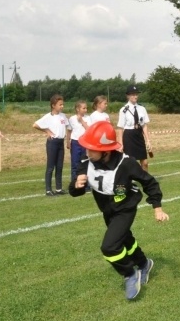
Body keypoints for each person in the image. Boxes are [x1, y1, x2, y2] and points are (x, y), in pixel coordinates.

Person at [69, 121, 169, 301]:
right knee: (126, 239)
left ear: (106, 151)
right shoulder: (86, 163)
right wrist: (77, 185)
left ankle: (130, 274)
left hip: (125, 208)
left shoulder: (126, 164)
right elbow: (74, 191)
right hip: (107, 209)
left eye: (92, 149)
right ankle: (144, 264)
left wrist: (157, 208)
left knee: (109, 247)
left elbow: (150, 183)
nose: (87, 152)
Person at [33, 94, 71, 196]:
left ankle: (58, 188)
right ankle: (48, 190)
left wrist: (68, 140)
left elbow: (68, 127)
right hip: (52, 143)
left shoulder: (63, 116)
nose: (62, 106)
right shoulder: (48, 116)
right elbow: (35, 125)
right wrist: (47, 131)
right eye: (60, 104)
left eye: (63, 104)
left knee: (59, 166)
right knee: (50, 167)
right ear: (53, 105)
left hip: (60, 143)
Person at [117, 85, 152, 171]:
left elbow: (144, 125)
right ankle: (130, 183)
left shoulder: (142, 108)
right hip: (129, 136)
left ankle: (145, 182)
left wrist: (148, 140)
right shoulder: (123, 110)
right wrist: (120, 144)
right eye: (132, 94)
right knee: (130, 163)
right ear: (128, 96)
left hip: (139, 135)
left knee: (145, 163)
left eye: (136, 94)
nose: (135, 96)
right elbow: (120, 128)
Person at [68, 99, 91, 186]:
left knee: (85, 163)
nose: (86, 110)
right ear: (78, 109)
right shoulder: (72, 119)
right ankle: (74, 183)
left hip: (85, 143)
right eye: (84, 108)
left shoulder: (88, 118)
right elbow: (69, 130)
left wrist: (81, 121)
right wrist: (68, 141)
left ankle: (86, 184)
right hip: (75, 142)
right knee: (75, 163)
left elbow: (89, 130)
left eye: (86, 108)